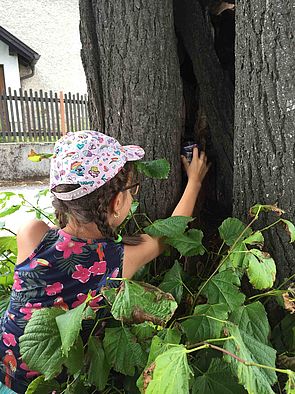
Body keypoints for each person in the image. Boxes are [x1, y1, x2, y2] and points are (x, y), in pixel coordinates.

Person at [0, 130, 209, 393]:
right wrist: (195, 182)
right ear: (118, 203)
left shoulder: (32, 233)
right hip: (49, 386)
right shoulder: (118, 260)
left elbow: (64, 241)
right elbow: (169, 234)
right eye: (132, 190)